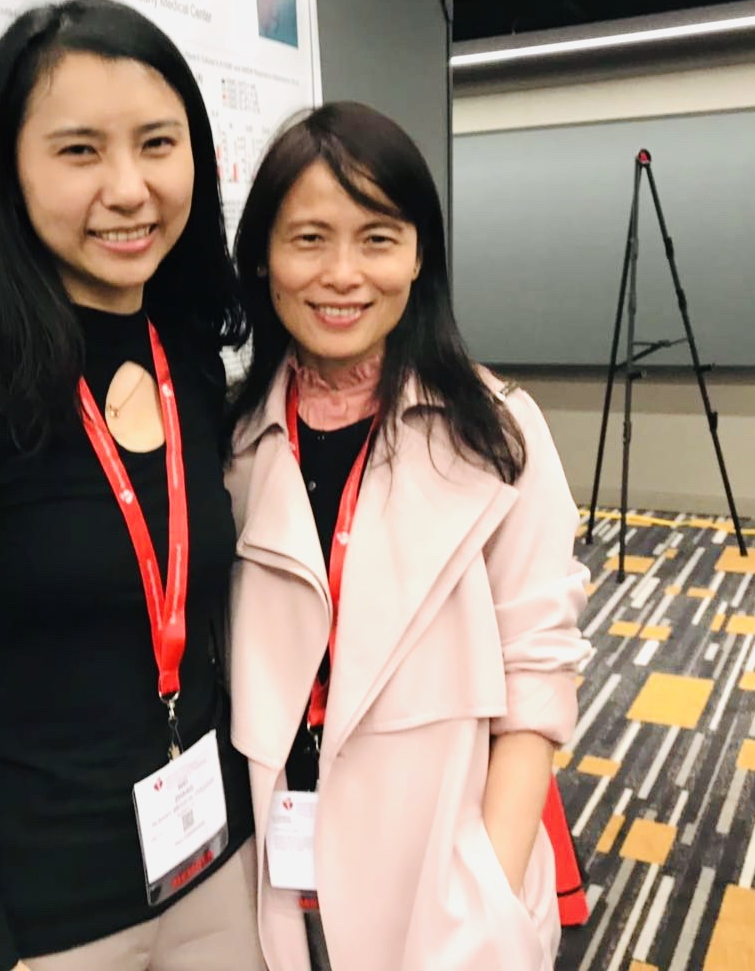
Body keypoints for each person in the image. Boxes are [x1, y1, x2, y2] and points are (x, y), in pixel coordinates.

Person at [0, 0, 263, 971]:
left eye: (157, 143)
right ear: (11, 172)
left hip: (215, 865)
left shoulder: (191, 359)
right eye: (80, 152)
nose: (129, 188)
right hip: (50, 919)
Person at [225, 101, 591, 970]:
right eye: (308, 239)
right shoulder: (234, 442)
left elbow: (539, 673)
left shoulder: (498, 433)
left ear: (420, 255)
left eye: (378, 239)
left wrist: (489, 894)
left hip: (441, 875)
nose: (343, 275)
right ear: (265, 260)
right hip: (276, 861)